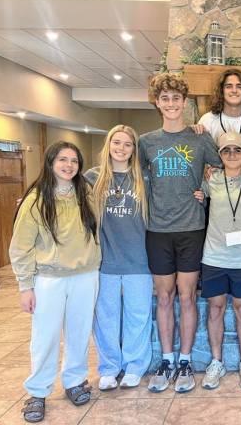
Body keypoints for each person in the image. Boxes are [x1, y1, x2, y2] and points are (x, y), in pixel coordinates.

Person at [139, 73, 221, 393]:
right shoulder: (147, 142)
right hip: (157, 229)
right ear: (157, 103)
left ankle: (185, 360)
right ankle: (167, 359)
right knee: (164, 297)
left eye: (176, 98)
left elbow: (222, 166)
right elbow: (133, 176)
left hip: (191, 228)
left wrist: (204, 187)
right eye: (165, 99)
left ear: (184, 103)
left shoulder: (200, 137)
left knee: (187, 296)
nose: (171, 104)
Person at [9, 141, 100, 423]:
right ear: (50, 163)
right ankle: (37, 391)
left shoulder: (85, 193)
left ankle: (74, 381)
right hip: (49, 279)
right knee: (45, 338)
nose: (69, 165)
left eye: (74, 161)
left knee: (79, 333)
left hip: (85, 275)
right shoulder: (36, 199)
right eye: (63, 159)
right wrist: (25, 286)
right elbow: (20, 246)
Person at [84, 125, 152, 391]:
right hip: (106, 262)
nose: (121, 148)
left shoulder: (143, 178)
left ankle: (135, 365)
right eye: (117, 143)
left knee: (138, 316)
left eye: (127, 144)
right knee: (106, 318)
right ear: (108, 145)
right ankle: (109, 367)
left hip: (139, 261)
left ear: (134, 149)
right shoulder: (92, 178)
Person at [195, 131, 241, 391]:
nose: (232, 155)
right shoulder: (210, 179)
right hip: (214, 255)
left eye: (237, 150)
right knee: (215, 309)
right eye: (226, 151)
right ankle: (217, 361)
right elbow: (198, 199)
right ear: (219, 156)